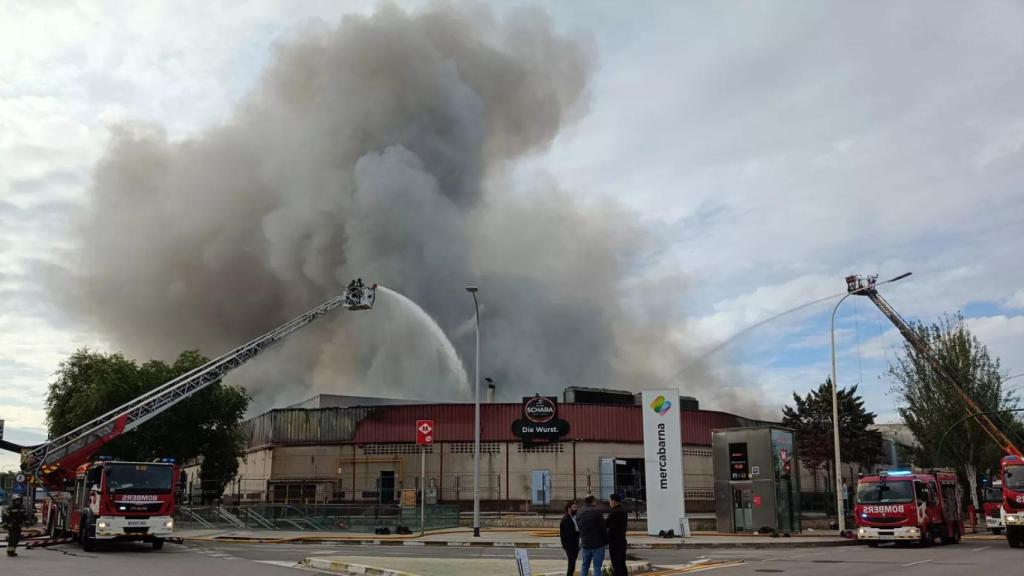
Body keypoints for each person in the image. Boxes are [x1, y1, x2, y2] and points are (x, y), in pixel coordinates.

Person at [575, 495, 606, 576]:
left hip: (585, 544)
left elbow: (578, 525)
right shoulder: (597, 511)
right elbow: (603, 527)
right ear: (593, 501)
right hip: (598, 544)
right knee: (597, 567)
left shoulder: (579, 511)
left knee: (585, 566)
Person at [606, 493, 628, 576]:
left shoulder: (615, 512)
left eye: (610, 501)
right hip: (622, 541)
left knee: (616, 565)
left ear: (614, 502)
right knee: (622, 564)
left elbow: (606, 523)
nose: (609, 503)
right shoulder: (623, 510)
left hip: (615, 542)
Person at [559, 501, 580, 576]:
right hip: (570, 545)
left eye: (576, 507)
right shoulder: (566, 519)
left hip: (574, 544)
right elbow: (568, 534)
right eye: (574, 507)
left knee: (572, 565)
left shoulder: (574, 518)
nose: (576, 509)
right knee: (571, 565)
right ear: (569, 509)